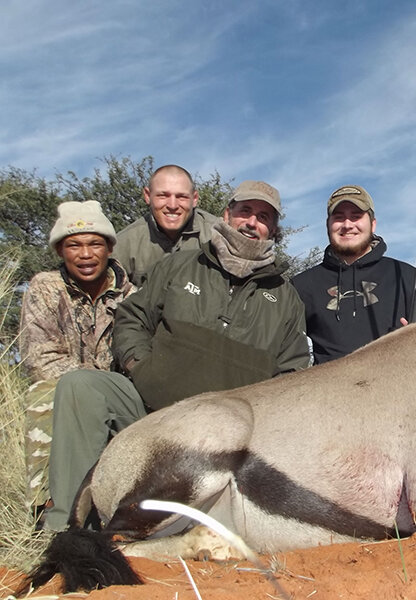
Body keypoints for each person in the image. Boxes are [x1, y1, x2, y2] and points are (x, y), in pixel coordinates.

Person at [44, 180, 310, 530]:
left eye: (264, 217)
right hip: (149, 412)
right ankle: (66, 530)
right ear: (227, 214)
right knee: (81, 387)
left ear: (273, 229)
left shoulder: (286, 298)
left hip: (225, 443)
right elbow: (132, 318)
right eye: (245, 211)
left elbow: (292, 375)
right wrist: (139, 365)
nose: (252, 222)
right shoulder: (179, 266)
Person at [19, 200, 135, 516]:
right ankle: (48, 506)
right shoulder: (45, 287)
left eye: (95, 244)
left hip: (116, 392)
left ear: (110, 247)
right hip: (64, 388)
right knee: (43, 396)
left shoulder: (132, 295)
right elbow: (41, 360)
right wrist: (89, 383)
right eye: (74, 245)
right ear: (60, 251)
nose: (85, 254)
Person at [292, 184, 416, 364]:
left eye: (356, 216)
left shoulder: (408, 277)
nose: (347, 225)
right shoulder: (301, 286)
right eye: (339, 218)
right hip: (328, 390)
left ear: (373, 224)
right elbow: (285, 350)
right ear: (328, 224)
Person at [112, 164, 219, 286]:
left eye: (181, 197)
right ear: (147, 196)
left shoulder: (217, 235)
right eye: (163, 196)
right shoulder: (124, 244)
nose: (172, 205)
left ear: (194, 199)